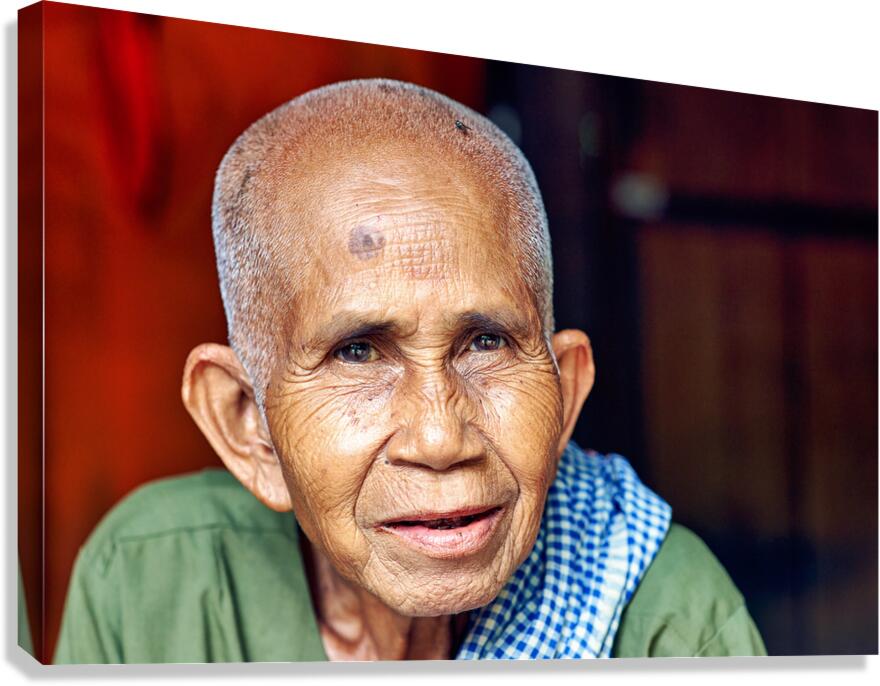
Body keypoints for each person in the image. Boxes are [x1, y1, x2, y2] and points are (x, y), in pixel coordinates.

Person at [54, 79, 766, 663]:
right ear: (248, 424)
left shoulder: (670, 626)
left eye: (485, 342)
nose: (438, 437)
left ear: (566, 392)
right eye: (357, 352)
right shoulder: (148, 582)